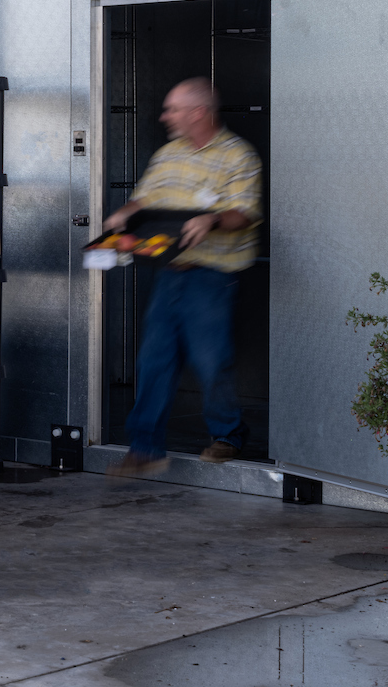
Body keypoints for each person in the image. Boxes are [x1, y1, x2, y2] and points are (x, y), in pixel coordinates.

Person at [101, 75, 262, 478]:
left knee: (211, 361)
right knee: (154, 359)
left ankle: (228, 434)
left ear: (198, 112)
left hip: (213, 274)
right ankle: (145, 448)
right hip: (169, 273)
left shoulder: (239, 156)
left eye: (173, 108)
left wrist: (212, 219)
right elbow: (147, 197)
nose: (164, 116)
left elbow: (245, 212)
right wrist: (126, 212)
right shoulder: (168, 155)